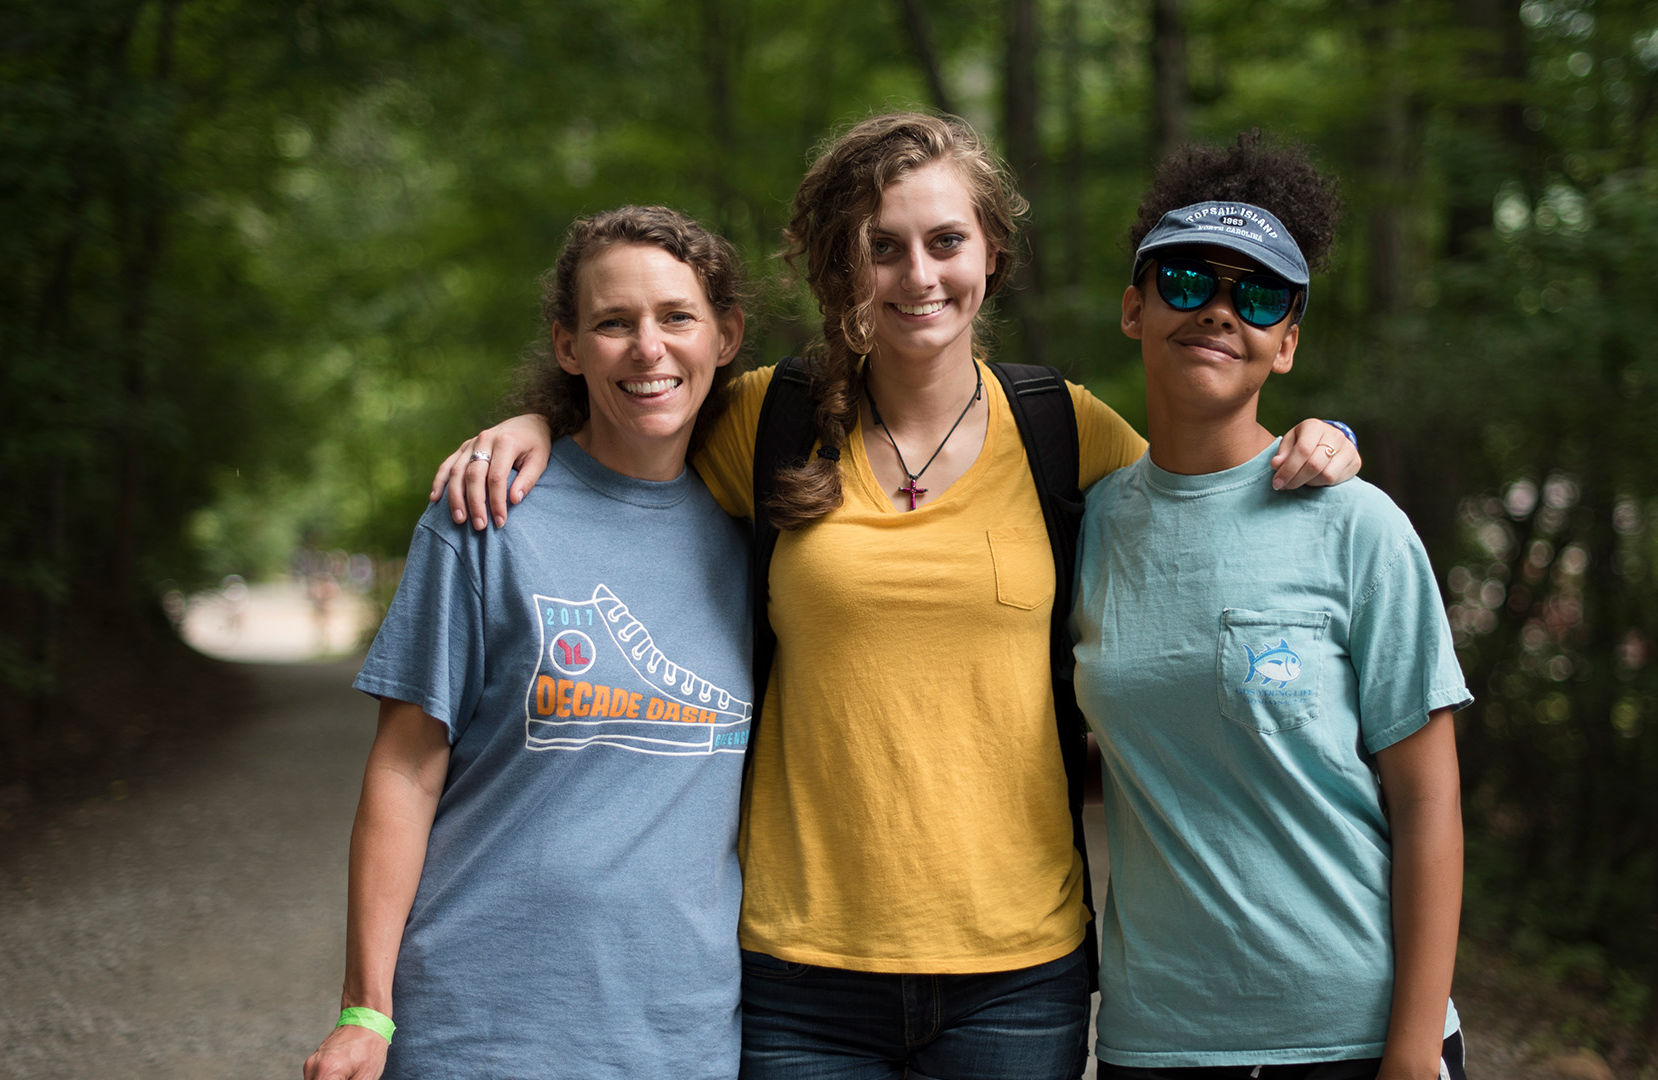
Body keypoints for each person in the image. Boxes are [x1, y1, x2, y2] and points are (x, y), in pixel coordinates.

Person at [429, 113, 1363, 1080]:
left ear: (991, 254)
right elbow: (635, 408)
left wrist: (1324, 435)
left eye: (946, 241)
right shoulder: (766, 418)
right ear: (844, 266)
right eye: (884, 248)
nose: (920, 276)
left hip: (1017, 969)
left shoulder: (1064, 428)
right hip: (798, 967)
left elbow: (1205, 493)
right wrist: (538, 421)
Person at [302, 205, 753, 1080]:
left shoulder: (763, 535)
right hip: (481, 1029)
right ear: (568, 346)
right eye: (613, 322)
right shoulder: (487, 516)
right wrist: (365, 1009)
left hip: (684, 1035)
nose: (647, 347)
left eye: (677, 317)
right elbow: (404, 770)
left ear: (727, 335)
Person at [1070, 132, 1471, 1079]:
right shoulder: (1083, 527)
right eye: (1185, 282)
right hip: (1156, 1039)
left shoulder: (1356, 526)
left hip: (1355, 1031)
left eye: (1255, 296)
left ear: (1286, 342)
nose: (1216, 311)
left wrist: (1413, 1052)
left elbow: (1428, 801)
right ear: (1134, 305)